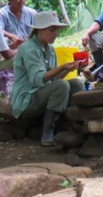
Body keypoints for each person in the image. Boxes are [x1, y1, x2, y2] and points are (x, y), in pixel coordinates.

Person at [11, 11, 84, 145]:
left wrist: (69, 69)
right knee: (62, 86)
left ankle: (69, 124)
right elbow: (38, 79)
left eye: (57, 30)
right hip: (26, 99)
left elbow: (54, 79)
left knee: (76, 84)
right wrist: (62, 67)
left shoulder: (49, 49)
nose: (56, 33)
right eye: (52, 30)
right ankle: (48, 132)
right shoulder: (29, 49)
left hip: (41, 93)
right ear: (40, 30)